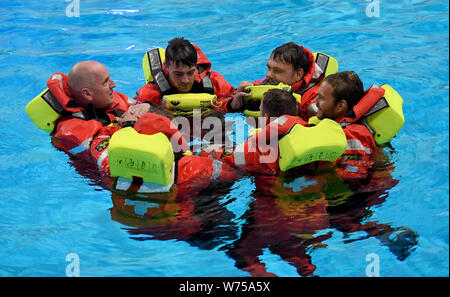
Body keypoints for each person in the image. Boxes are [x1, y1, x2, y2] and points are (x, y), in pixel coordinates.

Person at [49, 61, 136, 169]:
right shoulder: (72, 130)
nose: (113, 85)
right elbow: (114, 163)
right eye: (105, 82)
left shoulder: (111, 99)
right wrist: (129, 124)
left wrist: (146, 106)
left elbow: (142, 106)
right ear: (87, 94)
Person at [134, 37, 235, 114]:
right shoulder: (150, 93)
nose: (185, 80)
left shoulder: (215, 82)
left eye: (190, 72)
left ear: (196, 65)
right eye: (178, 74)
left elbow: (229, 100)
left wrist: (234, 103)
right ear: (166, 67)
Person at [219, 88, 309, 175]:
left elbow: (225, 163)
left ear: (266, 119)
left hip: (269, 188)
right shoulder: (308, 132)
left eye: (260, 111)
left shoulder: (254, 150)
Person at [228, 42, 325, 119]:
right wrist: (233, 105)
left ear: (298, 74)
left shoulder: (313, 98)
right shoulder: (260, 85)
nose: (269, 75)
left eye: (277, 71)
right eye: (269, 68)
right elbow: (218, 104)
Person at [314, 71, 381, 180]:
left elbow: (354, 176)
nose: (315, 101)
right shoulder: (338, 124)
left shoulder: (352, 135)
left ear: (340, 106)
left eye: (321, 98)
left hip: (365, 194)